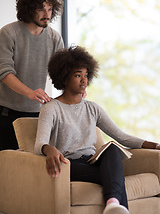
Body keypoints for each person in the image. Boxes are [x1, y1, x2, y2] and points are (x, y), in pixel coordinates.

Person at [34, 46, 160, 214]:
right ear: (64, 77)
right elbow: (39, 143)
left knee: (113, 148)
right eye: (78, 75)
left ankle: (112, 204)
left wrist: (154, 145)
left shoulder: (92, 108)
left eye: (86, 75)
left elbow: (121, 136)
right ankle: (114, 202)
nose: (84, 81)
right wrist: (49, 149)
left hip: (92, 160)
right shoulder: (51, 108)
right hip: (70, 164)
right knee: (115, 177)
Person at [0, 0, 64, 151]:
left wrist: (75, 87)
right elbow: (5, 73)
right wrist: (30, 92)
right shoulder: (8, 33)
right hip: (6, 112)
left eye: (50, 9)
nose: (47, 14)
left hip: (36, 113)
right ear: (29, 9)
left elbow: (63, 70)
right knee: (6, 167)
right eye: (41, 9)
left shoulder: (54, 37)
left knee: (30, 168)